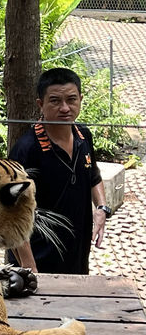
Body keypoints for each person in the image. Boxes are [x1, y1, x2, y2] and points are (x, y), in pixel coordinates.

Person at [7, 67, 109, 275]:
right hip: (38, 258)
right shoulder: (26, 150)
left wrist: (102, 208)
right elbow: (12, 213)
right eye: (55, 101)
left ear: (80, 99)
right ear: (40, 104)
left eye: (71, 100)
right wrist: (30, 269)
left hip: (77, 254)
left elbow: (94, 176)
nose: (65, 108)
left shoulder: (83, 136)